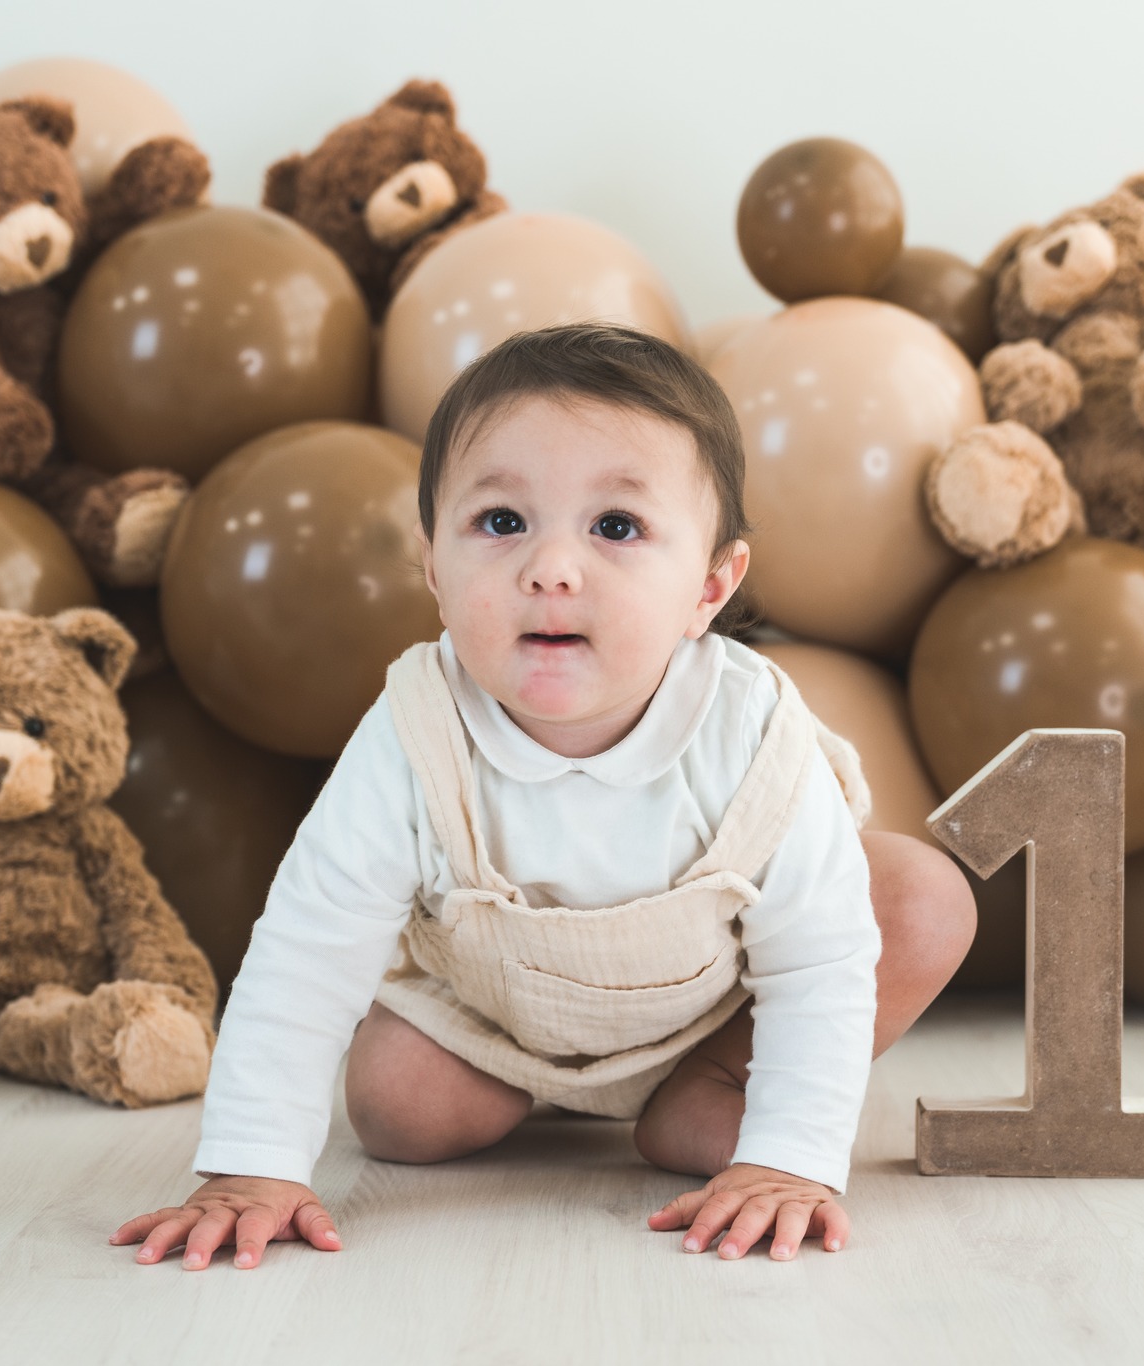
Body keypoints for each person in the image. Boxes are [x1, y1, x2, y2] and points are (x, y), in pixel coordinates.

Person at [111, 322, 976, 1269]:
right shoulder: (416, 729)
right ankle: (522, 1094)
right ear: (435, 568)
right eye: (501, 522)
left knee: (919, 900)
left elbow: (817, 958)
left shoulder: (752, 731)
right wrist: (252, 1163)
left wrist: (793, 1156)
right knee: (398, 1109)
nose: (551, 568)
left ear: (710, 586)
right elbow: (309, 943)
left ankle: (716, 1090)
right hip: (497, 1026)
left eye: (615, 527)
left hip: (714, 1016)